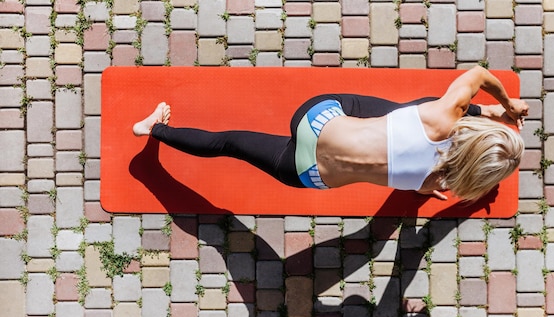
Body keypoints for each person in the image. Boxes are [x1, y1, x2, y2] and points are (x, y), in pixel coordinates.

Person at [133, 66, 528, 201]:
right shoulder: (437, 181)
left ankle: (152, 124)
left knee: (410, 112)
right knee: (230, 145)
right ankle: (155, 131)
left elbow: (477, 74)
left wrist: (504, 106)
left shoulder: (442, 117)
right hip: (308, 174)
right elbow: (423, 188)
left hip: (314, 120)